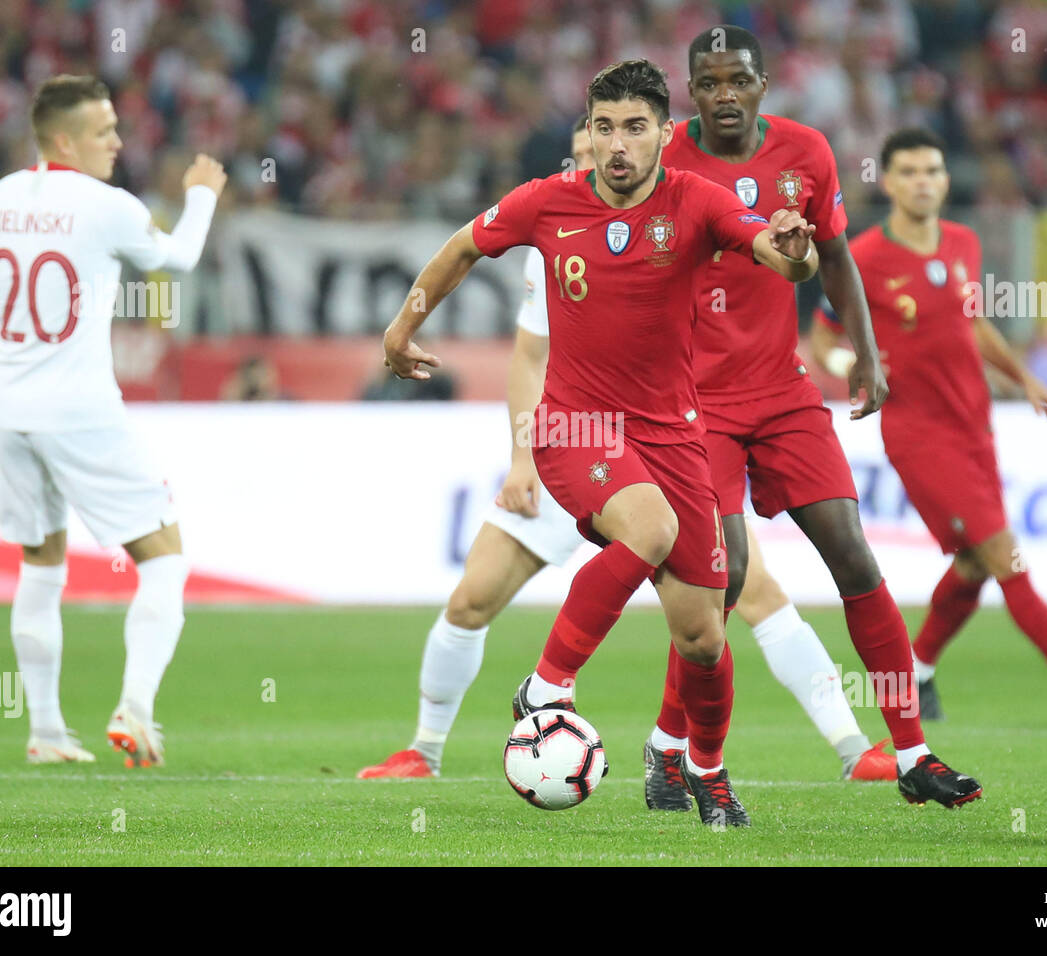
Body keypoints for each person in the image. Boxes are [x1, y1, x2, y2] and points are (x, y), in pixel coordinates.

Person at [360, 116, 896, 787]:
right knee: (472, 598)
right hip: (574, 442)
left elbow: (781, 256)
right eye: (588, 146)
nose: (601, 156)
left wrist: (794, 252)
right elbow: (529, 358)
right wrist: (524, 457)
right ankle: (424, 750)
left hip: (655, 443)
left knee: (734, 603)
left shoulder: (678, 213)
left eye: (616, 142)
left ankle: (845, 745)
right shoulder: (551, 227)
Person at [644, 26, 978, 811]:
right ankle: (674, 749)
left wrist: (866, 350)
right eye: (710, 80)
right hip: (697, 403)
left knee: (854, 558)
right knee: (715, 585)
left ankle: (914, 753)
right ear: (692, 91)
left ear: (764, 85)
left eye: (739, 79)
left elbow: (833, 255)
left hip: (784, 391)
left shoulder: (806, 153)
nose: (725, 92)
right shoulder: (667, 164)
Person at [0, 74, 227, 766]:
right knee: (164, 562)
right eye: (104, 130)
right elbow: (181, 258)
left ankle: (45, 733)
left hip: (10, 412)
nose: (118, 141)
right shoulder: (107, 207)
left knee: (40, 568)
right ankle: (134, 707)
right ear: (65, 138)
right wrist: (200, 195)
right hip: (81, 411)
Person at [810, 127, 1047, 724]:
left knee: (975, 563)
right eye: (909, 172)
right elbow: (821, 339)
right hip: (917, 433)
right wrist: (848, 367)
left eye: (932, 170)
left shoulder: (962, 242)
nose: (923, 181)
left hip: (974, 423)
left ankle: (918, 665)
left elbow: (973, 322)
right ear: (889, 182)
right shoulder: (865, 257)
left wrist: (1024, 379)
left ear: (946, 179)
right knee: (1005, 555)